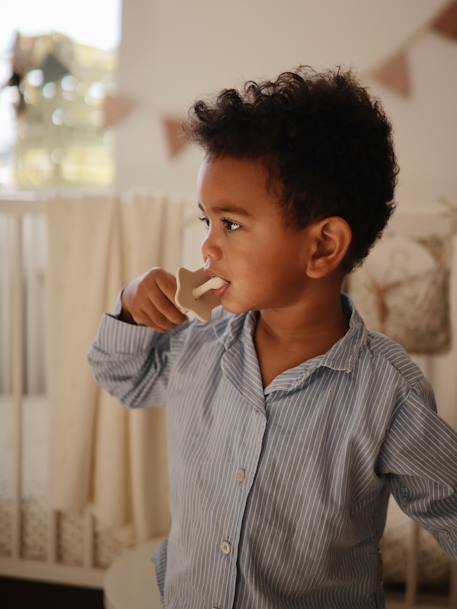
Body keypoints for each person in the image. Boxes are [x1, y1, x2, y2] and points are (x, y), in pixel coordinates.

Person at [87, 66, 457, 609]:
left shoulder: (386, 392)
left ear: (323, 247)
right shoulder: (200, 342)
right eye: (206, 222)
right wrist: (130, 305)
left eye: (230, 225)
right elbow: (123, 377)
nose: (209, 248)